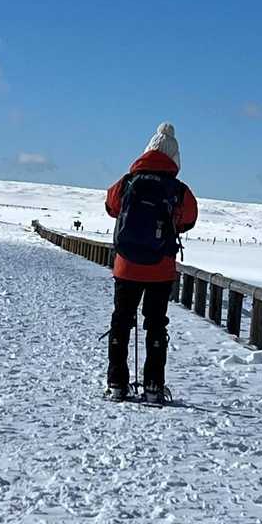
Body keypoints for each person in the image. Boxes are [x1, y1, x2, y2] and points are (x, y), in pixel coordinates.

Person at [103, 122, 198, 403]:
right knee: (156, 325)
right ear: (175, 158)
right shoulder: (179, 189)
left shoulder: (127, 182)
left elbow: (111, 207)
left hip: (126, 265)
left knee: (121, 321)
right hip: (160, 268)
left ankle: (117, 384)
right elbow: (189, 220)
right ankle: (154, 387)